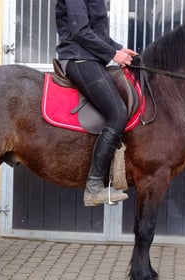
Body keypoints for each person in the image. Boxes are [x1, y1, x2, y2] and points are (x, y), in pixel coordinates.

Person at [56, 0, 137, 206]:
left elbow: (96, 33)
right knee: (118, 113)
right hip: (77, 57)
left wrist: (119, 49)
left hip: (89, 58)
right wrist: (112, 54)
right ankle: (94, 188)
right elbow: (80, 31)